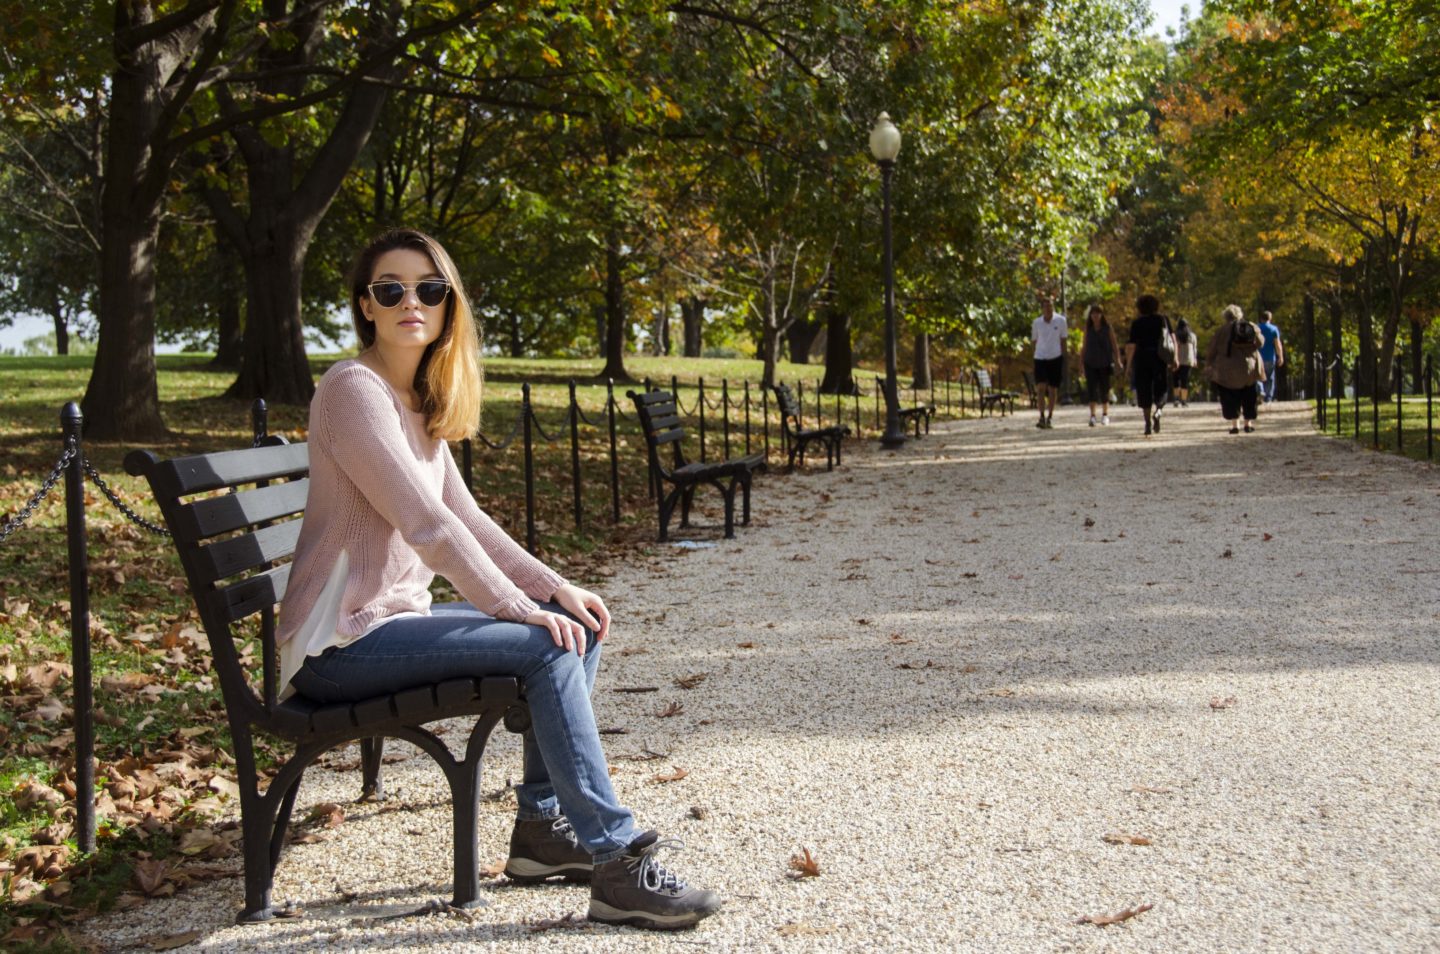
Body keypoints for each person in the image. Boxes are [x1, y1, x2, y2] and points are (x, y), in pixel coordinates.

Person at [277, 228, 721, 931]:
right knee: (546, 642)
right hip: (337, 646)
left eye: (428, 289)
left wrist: (552, 587)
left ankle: (543, 834)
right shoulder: (353, 390)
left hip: (387, 626)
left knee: (574, 625)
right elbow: (428, 527)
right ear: (366, 305)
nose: (410, 302)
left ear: (449, 302)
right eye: (390, 290)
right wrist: (514, 608)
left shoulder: (414, 399)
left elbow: (466, 517)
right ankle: (614, 864)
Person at [1205, 303, 1266, 433]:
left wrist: (1209, 364)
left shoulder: (1221, 331)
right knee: (1249, 395)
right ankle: (1248, 424)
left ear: (1226, 317)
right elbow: (1260, 342)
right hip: (1249, 367)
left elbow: (1212, 349)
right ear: (1240, 315)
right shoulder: (1250, 326)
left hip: (1227, 369)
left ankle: (1235, 425)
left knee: (1231, 396)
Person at [1124, 294, 1178, 436]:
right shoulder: (1162, 320)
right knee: (1161, 387)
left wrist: (1128, 366)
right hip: (1159, 358)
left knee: (1144, 390)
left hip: (1141, 359)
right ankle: (1159, 411)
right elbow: (1172, 339)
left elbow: (1132, 346)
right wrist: (1175, 358)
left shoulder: (1137, 323)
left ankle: (1147, 421)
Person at [1080, 304, 1123, 426]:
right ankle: (1093, 416)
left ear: (1102, 315)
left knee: (1105, 389)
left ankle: (1105, 415)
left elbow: (1114, 345)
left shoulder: (1107, 328)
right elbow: (1084, 347)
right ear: (1090, 316)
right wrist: (1081, 363)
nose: (1095, 316)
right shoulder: (1088, 329)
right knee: (1092, 389)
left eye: (1098, 313)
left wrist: (1118, 360)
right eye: (1093, 313)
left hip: (1104, 362)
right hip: (1090, 362)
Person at [1031, 294, 1068, 428]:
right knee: (1041, 388)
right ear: (1042, 309)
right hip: (1040, 357)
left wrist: (1063, 357)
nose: (1048, 309)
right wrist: (1035, 355)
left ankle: (1050, 416)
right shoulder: (1037, 323)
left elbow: (1063, 340)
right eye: (1046, 307)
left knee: (1053, 389)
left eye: (1050, 306)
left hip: (1055, 357)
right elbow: (1034, 341)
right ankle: (1041, 416)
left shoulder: (1061, 321)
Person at [1258, 310, 1285, 402]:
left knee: (1258, 376)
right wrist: (1280, 356)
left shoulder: (1257, 329)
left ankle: (1260, 391)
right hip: (1270, 357)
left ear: (1261, 318)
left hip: (1258, 357)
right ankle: (1268, 397)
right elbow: (1277, 345)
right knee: (1269, 378)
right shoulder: (1273, 329)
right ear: (1270, 318)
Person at [1173, 317, 1199, 407]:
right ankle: (1184, 400)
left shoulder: (1175, 335)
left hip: (1176, 360)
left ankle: (1176, 399)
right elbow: (1195, 348)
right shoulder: (1192, 336)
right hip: (1188, 360)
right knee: (1185, 380)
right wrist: (1195, 359)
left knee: (1176, 379)